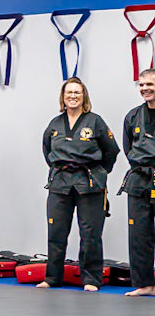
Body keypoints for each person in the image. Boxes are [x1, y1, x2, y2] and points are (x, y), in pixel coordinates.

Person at [39, 78, 117, 292]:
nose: (73, 96)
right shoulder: (55, 124)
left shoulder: (95, 121)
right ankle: (52, 277)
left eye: (77, 92)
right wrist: (60, 169)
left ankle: (91, 279)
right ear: (63, 97)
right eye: (69, 92)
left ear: (84, 97)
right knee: (56, 232)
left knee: (90, 233)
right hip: (60, 183)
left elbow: (111, 150)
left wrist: (99, 173)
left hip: (89, 182)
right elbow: (47, 150)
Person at [120, 69, 155, 297]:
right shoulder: (133, 116)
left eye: (149, 84)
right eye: (141, 85)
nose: (145, 89)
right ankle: (145, 284)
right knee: (139, 235)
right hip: (140, 180)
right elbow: (128, 148)